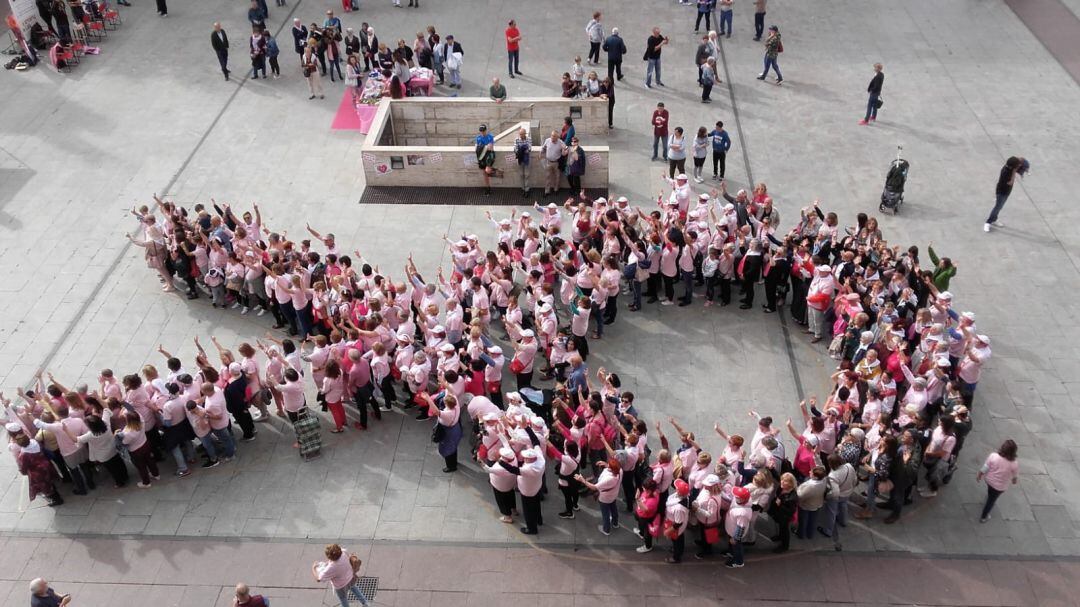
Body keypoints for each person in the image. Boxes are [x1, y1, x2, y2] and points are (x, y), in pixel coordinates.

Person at [978, 439, 1019, 523]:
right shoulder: (1014, 464)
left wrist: (980, 474)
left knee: (990, 491)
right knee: (991, 501)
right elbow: (1015, 476)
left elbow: (985, 467)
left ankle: (989, 494)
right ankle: (983, 517)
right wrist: (1014, 481)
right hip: (1000, 487)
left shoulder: (993, 456)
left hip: (989, 480)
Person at [985, 156, 1028, 232]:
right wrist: (1014, 172)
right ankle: (988, 222)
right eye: (1017, 165)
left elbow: (1021, 159)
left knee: (1000, 207)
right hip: (1002, 192)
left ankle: (994, 219)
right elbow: (1010, 182)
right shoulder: (1006, 172)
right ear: (1013, 166)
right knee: (997, 207)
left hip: (1007, 191)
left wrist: (1021, 165)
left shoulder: (1010, 167)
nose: (1019, 165)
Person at [540, 130, 566, 196]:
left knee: (557, 177)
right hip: (548, 162)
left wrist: (563, 149)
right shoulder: (547, 140)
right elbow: (543, 148)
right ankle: (547, 191)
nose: (552, 137)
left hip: (556, 163)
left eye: (554, 136)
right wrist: (541, 153)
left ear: (557, 137)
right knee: (547, 177)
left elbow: (564, 154)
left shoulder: (561, 143)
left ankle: (556, 189)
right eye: (551, 135)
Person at [475, 124, 497, 195]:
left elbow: (490, 148)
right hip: (482, 156)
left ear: (486, 130)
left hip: (489, 155)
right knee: (484, 173)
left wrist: (482, 147)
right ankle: (488, 187)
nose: (482, 132)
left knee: (487, 170)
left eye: (483, 131)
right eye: (481, 131)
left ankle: (495, 171)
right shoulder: (478, 138)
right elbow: (476, 148)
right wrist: (485, 147)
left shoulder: (490, 136)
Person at [513, 127, 531, 198]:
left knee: (527, 175)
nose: (521, 135)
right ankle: (523, 188)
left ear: (525, 134)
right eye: (520, 134)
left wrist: (521, 150)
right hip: (520, 159)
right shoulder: (517, 140)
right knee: (521, 175)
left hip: (526, 159)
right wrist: (522, 149)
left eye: (522, 134)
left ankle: (527, 189)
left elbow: (529, 148)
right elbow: (515, 148)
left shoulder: (528, 139)